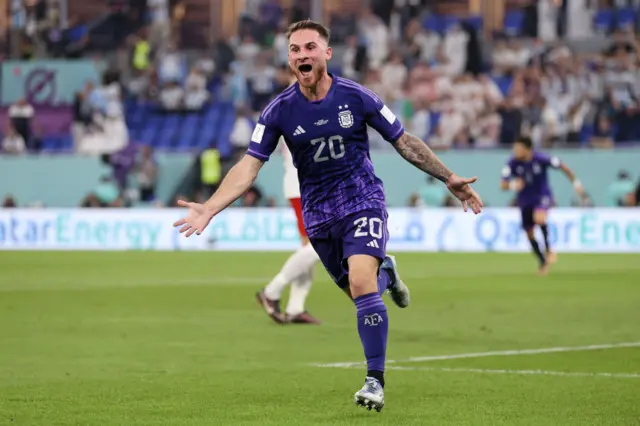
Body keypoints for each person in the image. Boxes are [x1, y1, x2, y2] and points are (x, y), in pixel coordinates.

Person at [173, 20, 483, 413]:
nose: (302, 55)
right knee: (361, 290)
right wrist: (211, 206)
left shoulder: (357, 96)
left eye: (309, 47)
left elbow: (403, 141)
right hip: (319, 215)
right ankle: (388, 273)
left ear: (326, 53)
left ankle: (375, 381)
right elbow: (249, 166)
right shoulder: (278, 111)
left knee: (360, 280)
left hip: (362, 200)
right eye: (294, 50)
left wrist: (448, 177)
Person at [255, 139, 322, 325]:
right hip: (305, 186)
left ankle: (295, 309)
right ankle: (271, 292)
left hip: (309, 186)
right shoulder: (296, 112)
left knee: (310, 248)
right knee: (319, 246)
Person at [501, 136, 584, 274]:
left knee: (540, 218)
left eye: (518, 148)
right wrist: (513, 184)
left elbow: (562, 165)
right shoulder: (512, 163)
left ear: (527, 149)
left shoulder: (541, 159)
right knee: (529, 234)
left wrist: (576, 183)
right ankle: (542, 262)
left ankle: (549, 249)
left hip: (542, 196)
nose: (515, 151)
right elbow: (503, 185)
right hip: (524, 200)